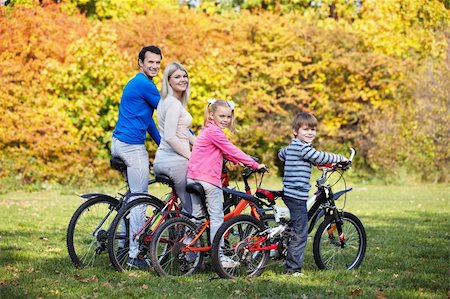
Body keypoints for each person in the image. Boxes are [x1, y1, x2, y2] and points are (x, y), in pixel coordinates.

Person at [187, 99, 265, 267]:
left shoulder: (206, 130)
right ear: (212, 115)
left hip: (192, 177)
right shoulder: (215, 132)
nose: (225, 119)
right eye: (221, 116)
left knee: (197, 219)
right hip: (207, 179)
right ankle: (219, 257)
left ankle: (189, 256)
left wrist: (240, 161)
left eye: (228, 116)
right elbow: (231, 149)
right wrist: (254, 164)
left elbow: (224, 152)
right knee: (217, 218)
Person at [111, 45, 162, 269]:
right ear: (140, 62)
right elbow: (169, 112)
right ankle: (134, 255)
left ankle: (122, 245)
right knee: (140, 200)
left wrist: (162, 143)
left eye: (158, 63)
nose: (154, 66)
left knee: (132, 197)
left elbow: (149, 121)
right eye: (150, 62)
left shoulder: (139, 83)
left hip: (118, 143)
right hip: (132, 147)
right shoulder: (144, 84)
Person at [278, 112, 347, 277]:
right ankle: (293, 269)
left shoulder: (293, 147)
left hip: (290, 193)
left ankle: (286, 242)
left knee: (295, 225)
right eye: (306, 129)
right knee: (300, 232)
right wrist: (340, 158)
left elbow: (282, 154)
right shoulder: (303, 148)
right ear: (296, 131)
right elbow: (319, 156)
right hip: (296, 196)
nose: (310, 133)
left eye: (313, 130)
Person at [154, 62, 195, 214]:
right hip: (175, 162)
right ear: (168, 80)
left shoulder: (166, 101)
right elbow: (171, 137)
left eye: (185, 76)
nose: (183, 79)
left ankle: (179, 231)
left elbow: (183, 132)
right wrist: (191, 156)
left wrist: (201, 146)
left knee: (187, 204)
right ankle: (188, 237)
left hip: (163, 159)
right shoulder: (173, 104)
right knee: (193, 208)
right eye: (177, 77)